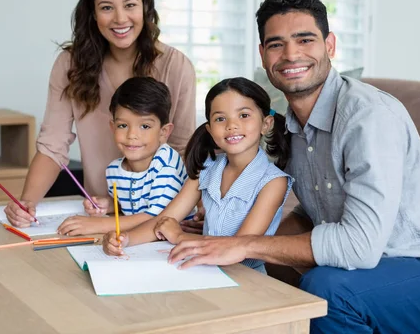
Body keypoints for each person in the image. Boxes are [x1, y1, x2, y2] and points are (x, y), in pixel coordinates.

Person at [164, 0, 420, 333]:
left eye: (305, 40)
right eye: (276, 44)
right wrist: (227, 229)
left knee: (325, 288)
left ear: (329, 46)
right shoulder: (290, 129)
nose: (291, 54)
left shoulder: (368, 117)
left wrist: (241, 243)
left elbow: (359, 246)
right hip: (370, 272)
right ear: (262, 55)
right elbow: (313, 213)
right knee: (242, 268)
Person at [4, 0, 198, 228]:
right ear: (93, 14)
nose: (120, 19)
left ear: (146, 8)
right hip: (98, 213)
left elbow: (183, 152)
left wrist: (179, 217)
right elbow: (52, 146)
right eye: (107, 8)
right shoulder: (69, 65)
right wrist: (27, 204)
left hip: (158, 220)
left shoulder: (175, 66)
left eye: (130, 5)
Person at [102, 77, 293, 274]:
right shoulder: (205, 170)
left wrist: (179, 237)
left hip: (247, 278)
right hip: (201, 270)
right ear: (209, 129)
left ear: (266, 124)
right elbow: (164, 219)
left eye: (244, 115)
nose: (232, 125)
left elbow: (239, 247)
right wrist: (125, 239)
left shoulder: (273, 182)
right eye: (220, 118)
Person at [56, 77, 195, 235]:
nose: (132, 135)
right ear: (113, 127)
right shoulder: (114, 170)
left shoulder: (167, 164)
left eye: (144, 126)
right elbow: (127, 206)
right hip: (136, 242)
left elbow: (157, 218)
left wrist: (98, 224)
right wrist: (108, 204)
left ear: (164, 132)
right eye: (123, 125)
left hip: (169, 242)